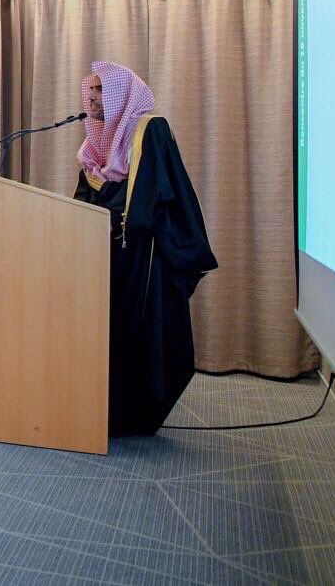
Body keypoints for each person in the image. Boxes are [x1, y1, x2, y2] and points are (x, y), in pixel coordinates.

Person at [71, 61, 218, 437]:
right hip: (103, 258)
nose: (91, 96)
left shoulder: (149, 130)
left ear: (121, 93)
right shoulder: (96, 147)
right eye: (91, 89)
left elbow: (150, 200)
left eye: (100, 90)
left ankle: (132, 416)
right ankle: (97, 407)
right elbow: (84, 201)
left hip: (142, 259)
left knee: (138, 337)